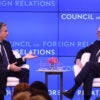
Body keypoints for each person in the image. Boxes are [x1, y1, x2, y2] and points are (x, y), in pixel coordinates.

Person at [0, 22, 37, 100]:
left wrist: (24, 58)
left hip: (8, 70)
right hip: (1, 70)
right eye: (5, 31)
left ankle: (22, 96)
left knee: (25, 71)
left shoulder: (7, 44)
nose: (8, 33)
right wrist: (9, 67)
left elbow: (13, 60)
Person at [62, 26, 100, 100]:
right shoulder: (96, 44)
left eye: (99, 32)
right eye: (97, 32)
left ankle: (73, 90)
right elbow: (81, 51)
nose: (97, 34)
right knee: (89, 73)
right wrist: (78, 59)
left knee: (89, 65)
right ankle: (86, 98)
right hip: (94, 69)